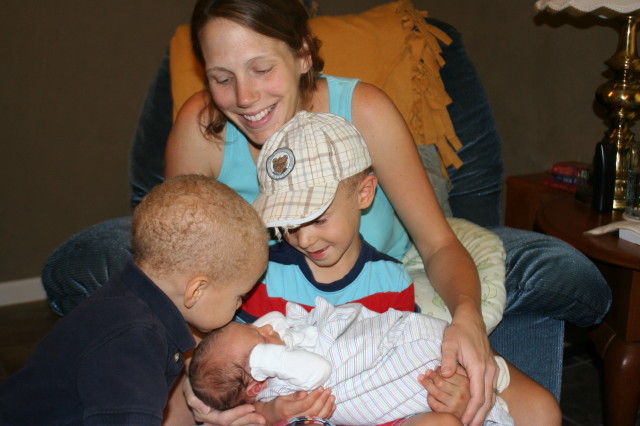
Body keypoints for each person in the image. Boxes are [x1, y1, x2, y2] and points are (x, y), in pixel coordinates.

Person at [39, 0, 609, 424]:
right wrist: (203, 386)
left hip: (379, 311)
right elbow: (177, 278)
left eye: (262, 69)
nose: (244, 98)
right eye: (221, 77)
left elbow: (438, 244)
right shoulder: (201, 129)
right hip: (265, 328)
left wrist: (466, 320)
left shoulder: (363, 112)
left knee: (534, 411)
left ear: (303, 55)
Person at [0, 175, 270, 424]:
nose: (241, 305)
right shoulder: (134, 341)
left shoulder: (125, 298)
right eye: (239, 296)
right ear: (196, 291)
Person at [189, 297, 515, 426]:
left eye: (255, 327)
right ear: (260, 375)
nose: (270, 328)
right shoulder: (283, 378)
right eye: (261, 341)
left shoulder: (287, 339)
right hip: (407, 394)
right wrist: (263, 354)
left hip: (403, 349)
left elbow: (275, 319)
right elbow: (319, 371)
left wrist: (256, 340)